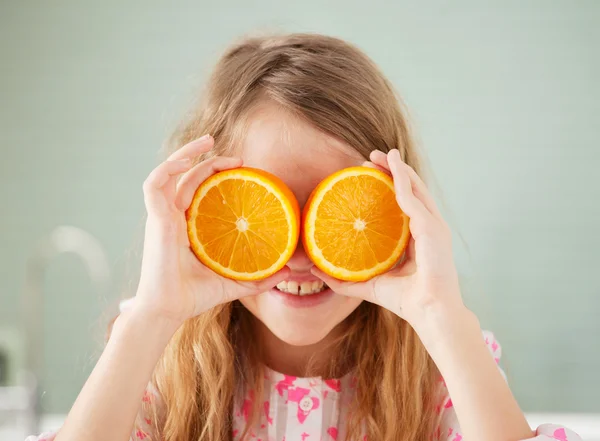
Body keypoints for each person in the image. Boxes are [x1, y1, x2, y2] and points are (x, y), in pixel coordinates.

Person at [28, 33, 581, 441]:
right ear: (206, 208)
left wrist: (442, 316)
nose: (299, 255)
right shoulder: (161, 361)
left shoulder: (442, 366)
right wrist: (151, 317)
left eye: (331, 213)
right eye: (262, 213)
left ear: (395, 212)